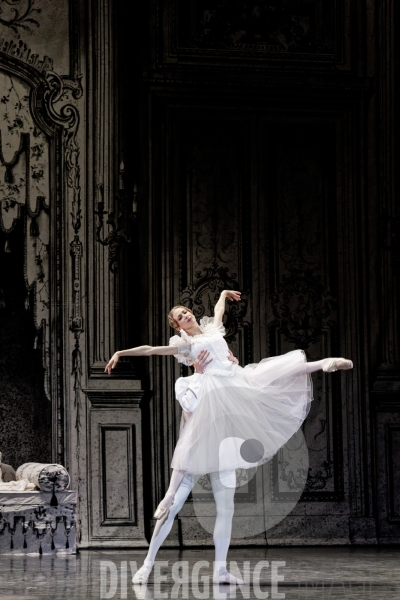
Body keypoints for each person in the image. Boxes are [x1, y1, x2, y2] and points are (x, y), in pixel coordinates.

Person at [105, 290, 353, 583]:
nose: (185, 316)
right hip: (212, 400)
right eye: (179, 317)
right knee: (175, 496)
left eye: (185, 311)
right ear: (177, 327)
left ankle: (323, 364)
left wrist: (222, 294)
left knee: (268, 376)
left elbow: (219, 309)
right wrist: (121, 352)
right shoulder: (185, 346)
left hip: (233, 387)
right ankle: (148, 561)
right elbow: (150, 349)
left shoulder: (212, 329)